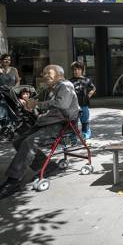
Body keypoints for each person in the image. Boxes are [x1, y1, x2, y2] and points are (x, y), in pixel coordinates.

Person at [0, 65, 79, 199]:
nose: (45, 75)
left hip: (62, 125)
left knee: (29, 142)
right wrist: (31, 105)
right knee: (18, 141)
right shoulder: (51, 89)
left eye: (48, 73)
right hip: (48, 122)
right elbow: (43, 105)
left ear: (59, 74)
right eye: (43, 73)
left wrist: (37, 104)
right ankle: (47, 166)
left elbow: (62, 104)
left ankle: (13, 180)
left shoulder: (65, 85)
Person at [69, 61, 96, 139]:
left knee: (85, 122)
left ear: (82, 70)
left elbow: (93, 88)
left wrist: (88, 96)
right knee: (73, 123)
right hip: (73, 106)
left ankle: (85, 136)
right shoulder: (69, 81)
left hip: (84, 105)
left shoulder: (87, 80)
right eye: (74, 69)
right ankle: (72, 139)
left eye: (78, 69)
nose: (76, 71)